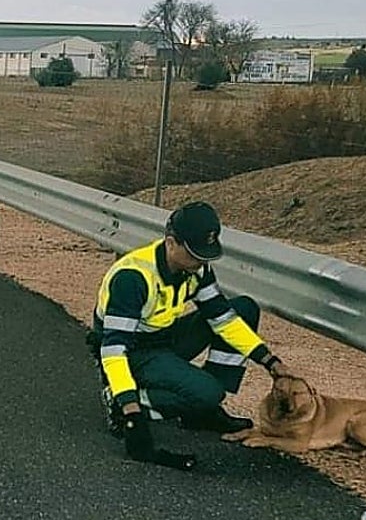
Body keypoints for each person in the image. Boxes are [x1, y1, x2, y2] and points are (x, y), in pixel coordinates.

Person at [91, 201, 286, 470]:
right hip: (134, 350)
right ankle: (123, 399)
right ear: (171, 243)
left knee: (243, 309)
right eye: (195, 255)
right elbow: (112, 350)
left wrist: (270, 362)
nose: (202, 262)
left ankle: (202, 413)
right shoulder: (133, 277)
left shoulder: (196, 268)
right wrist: (130, 410)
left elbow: (223, 320)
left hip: (164, 336)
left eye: (206, 255)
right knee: (209, 392)